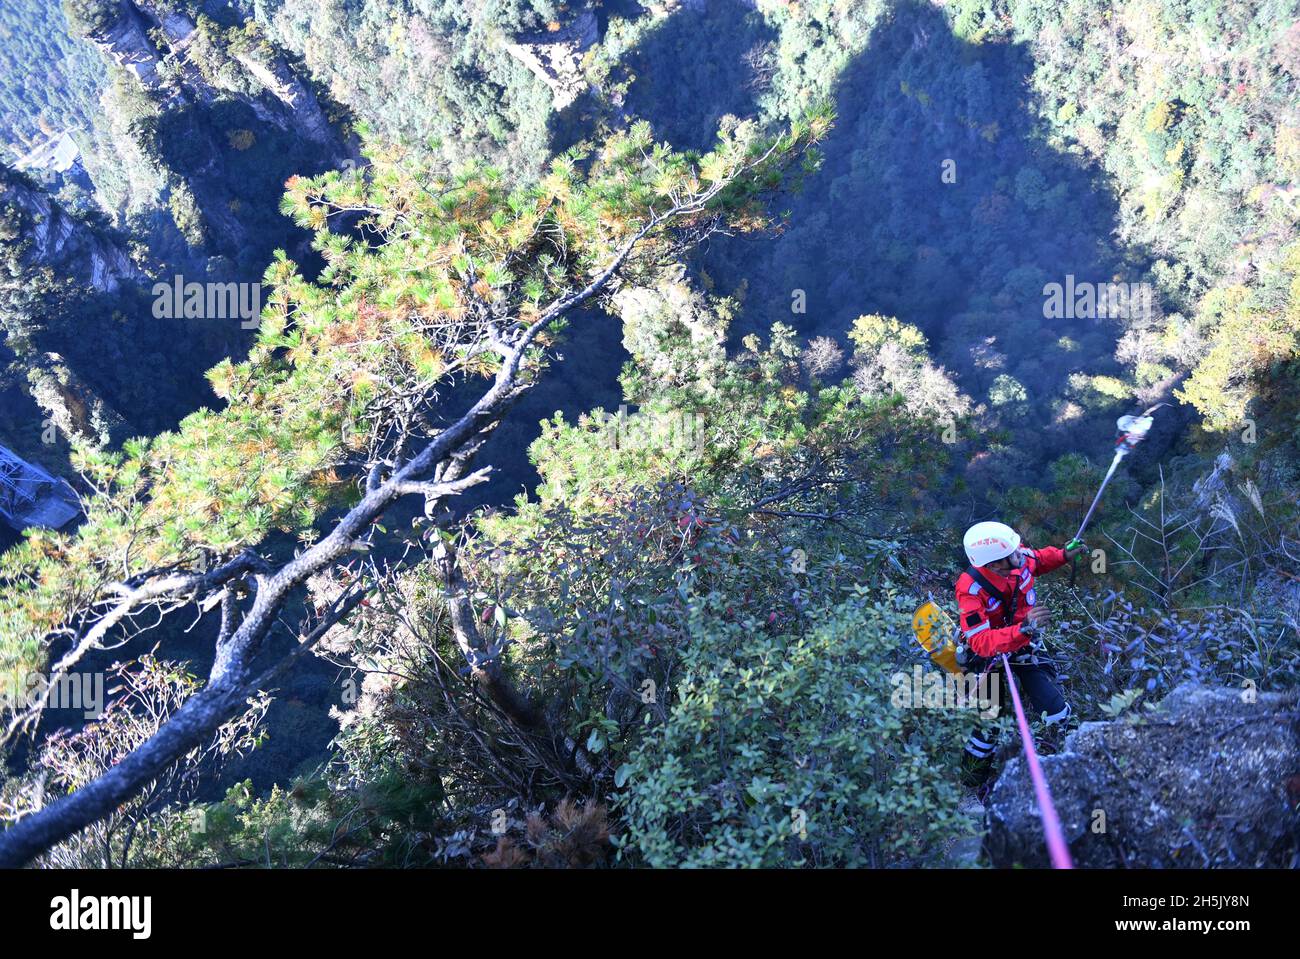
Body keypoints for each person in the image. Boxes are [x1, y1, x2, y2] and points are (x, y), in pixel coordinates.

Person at [955, 521, 1087, 799]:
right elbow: (979, 642)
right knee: (990, 720)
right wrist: (1022, 629)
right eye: (1013, 553)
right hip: (989, 652)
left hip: (1022, 643)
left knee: (1051, 702)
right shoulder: (970, 589)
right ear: (994, 565)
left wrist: (1063, 555)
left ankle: (1080, 754)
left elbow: (1038, 560)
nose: (1021, 553)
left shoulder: (1016, 558)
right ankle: (971, 780)